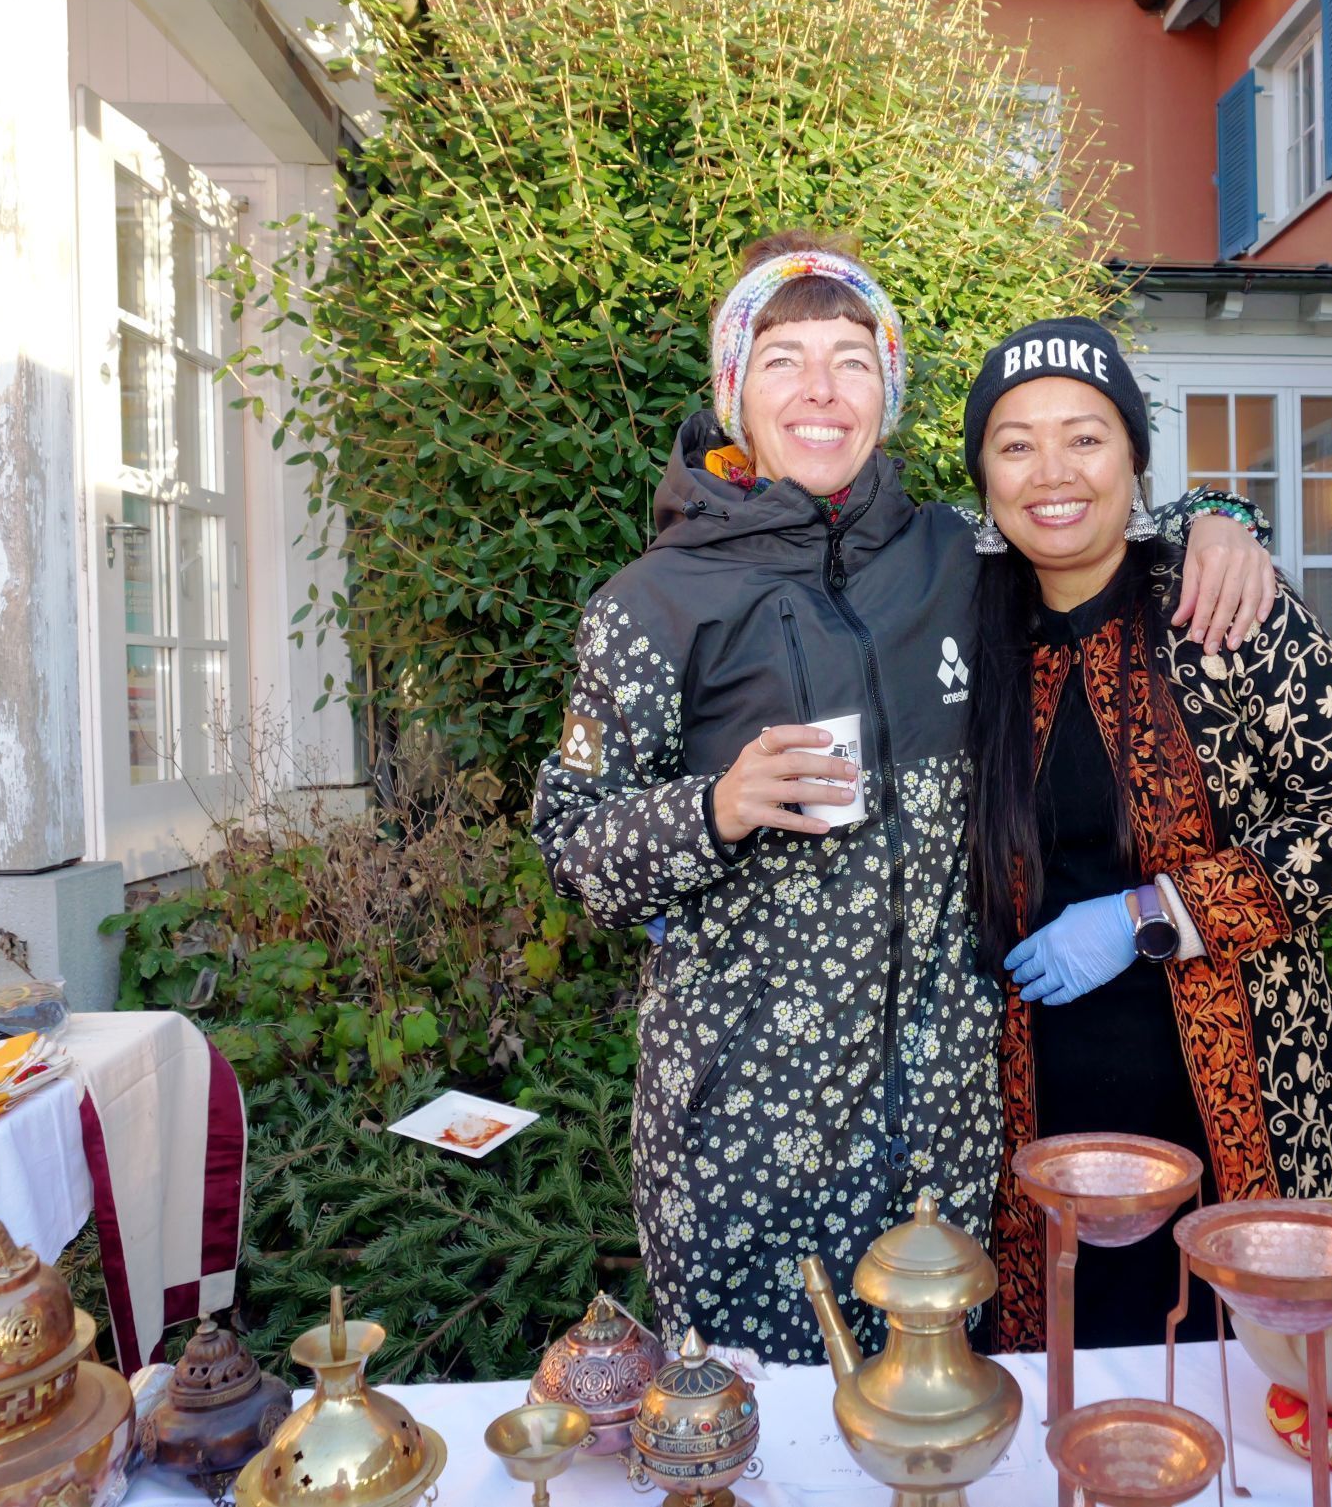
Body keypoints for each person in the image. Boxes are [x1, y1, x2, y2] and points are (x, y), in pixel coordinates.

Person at [531, 233, 1278, 1361]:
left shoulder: (954, 556)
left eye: (851, 358)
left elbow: (1078, 511)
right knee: (753, 1446)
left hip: (943, 1128)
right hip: (741, 1139)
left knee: (936, 1432)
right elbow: (574, 849)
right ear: (733, 387)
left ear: (888, 385)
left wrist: (1224, 515)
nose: (820, 391)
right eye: (783, 360)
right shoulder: (651, 605)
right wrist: (713, 807)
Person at [961, 318, 1332, 1353]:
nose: (1051, 472)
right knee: (1055, 1398)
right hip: (1021, 1110)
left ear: (1134, 457)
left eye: (1086, 436)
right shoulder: (962, 629)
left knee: (1251, 1382)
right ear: (981, 474)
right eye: (1014, 443)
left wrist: (1151, 914)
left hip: (1240, 1095)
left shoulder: (1221, 603)